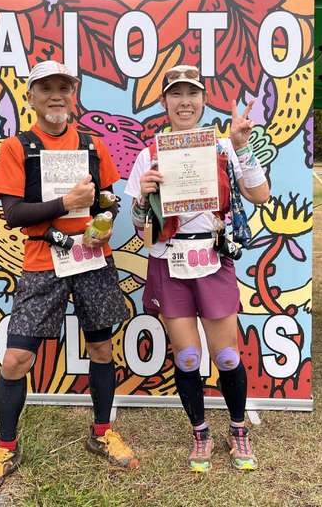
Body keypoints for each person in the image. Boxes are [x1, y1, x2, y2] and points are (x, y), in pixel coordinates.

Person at [0, 60, 138, 496]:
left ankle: (101, 432)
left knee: (101, 348)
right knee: (16, 360)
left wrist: (103, 219)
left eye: (64, 87)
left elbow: (108, 200)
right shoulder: (18, 147)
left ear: (73, 95)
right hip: (43, 260)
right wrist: (67, 202)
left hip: (92, 258)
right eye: (46, 88)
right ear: (31, 97)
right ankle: (6, 448)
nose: (56, 95)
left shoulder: (91, 145)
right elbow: (13, 214)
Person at [125, 64, 270, 472]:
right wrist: (143, 198)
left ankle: (238, 429)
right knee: (188, 357)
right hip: (169, 261)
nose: (184, 102)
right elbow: (141, 231)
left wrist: (242, 146)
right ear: (164, 101)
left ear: (204, 101)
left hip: (212, 259)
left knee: (226, 356)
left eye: (192, 94)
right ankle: (200, 433)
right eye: (176, 94)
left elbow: (260, 194)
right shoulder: (149, 155)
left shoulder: (222, 147)